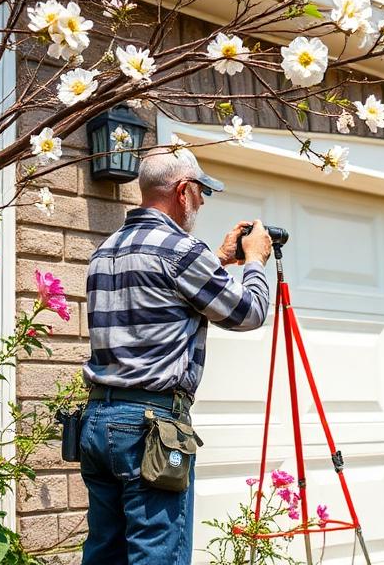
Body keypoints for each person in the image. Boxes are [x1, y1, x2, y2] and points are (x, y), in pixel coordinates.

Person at [78, 146, 272, 565]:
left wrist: (218, 260)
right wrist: (254, 261)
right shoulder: (181, 250)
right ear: (183, 191)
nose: (202, 202)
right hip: (150, 428)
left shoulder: (105, 251)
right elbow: (249, 313)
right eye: (201, 192)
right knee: (158, 555)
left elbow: (160, 296)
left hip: (98, 422)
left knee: (105, 553)